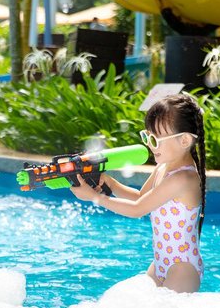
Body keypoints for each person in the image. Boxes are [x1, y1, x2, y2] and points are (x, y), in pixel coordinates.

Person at [70, 94, 206, 293]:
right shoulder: (163, 168)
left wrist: (95, 197)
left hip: (182, 268)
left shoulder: (183, 178)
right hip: (160, 263)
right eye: (147, 137)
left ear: (184, 140)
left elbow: (137, 210)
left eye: (155, 139)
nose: (150, 145)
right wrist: (111, 184)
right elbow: (141, 198)